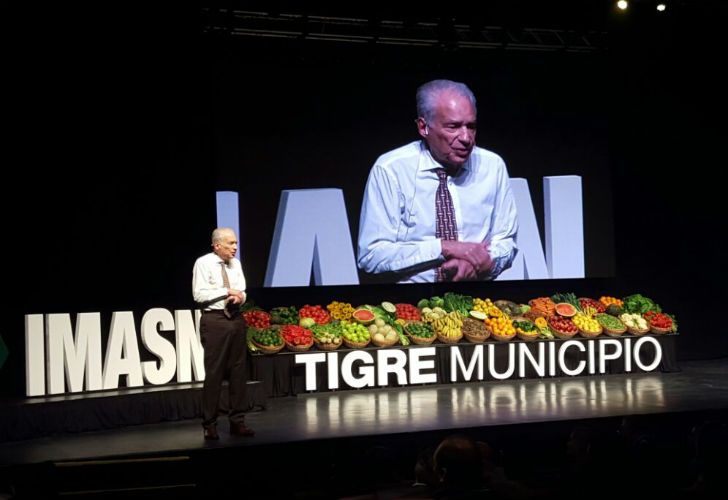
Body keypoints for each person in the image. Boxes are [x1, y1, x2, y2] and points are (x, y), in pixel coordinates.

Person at [357, 79, 518, 282]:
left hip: (477, 300)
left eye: (471, 126)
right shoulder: (391, 170)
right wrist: (444, 247)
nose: (466, 138)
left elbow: (505, 242)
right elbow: (371, 256)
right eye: (453, 127)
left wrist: (483, 263)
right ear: (424, 127)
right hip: (409, 303)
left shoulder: (493, 166)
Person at [192, 227, 254, 439]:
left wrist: (239, 298)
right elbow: (199, 295)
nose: (235, 248)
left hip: (236, 318)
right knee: (215, 372)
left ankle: (238, 421)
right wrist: (226, 291)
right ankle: (210, 424)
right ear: (217, 245)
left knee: (238, 372)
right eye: (231, 244)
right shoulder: (203, 263)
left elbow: (242, 290)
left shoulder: (236, 264)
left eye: (236, 243)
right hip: (215, 320)